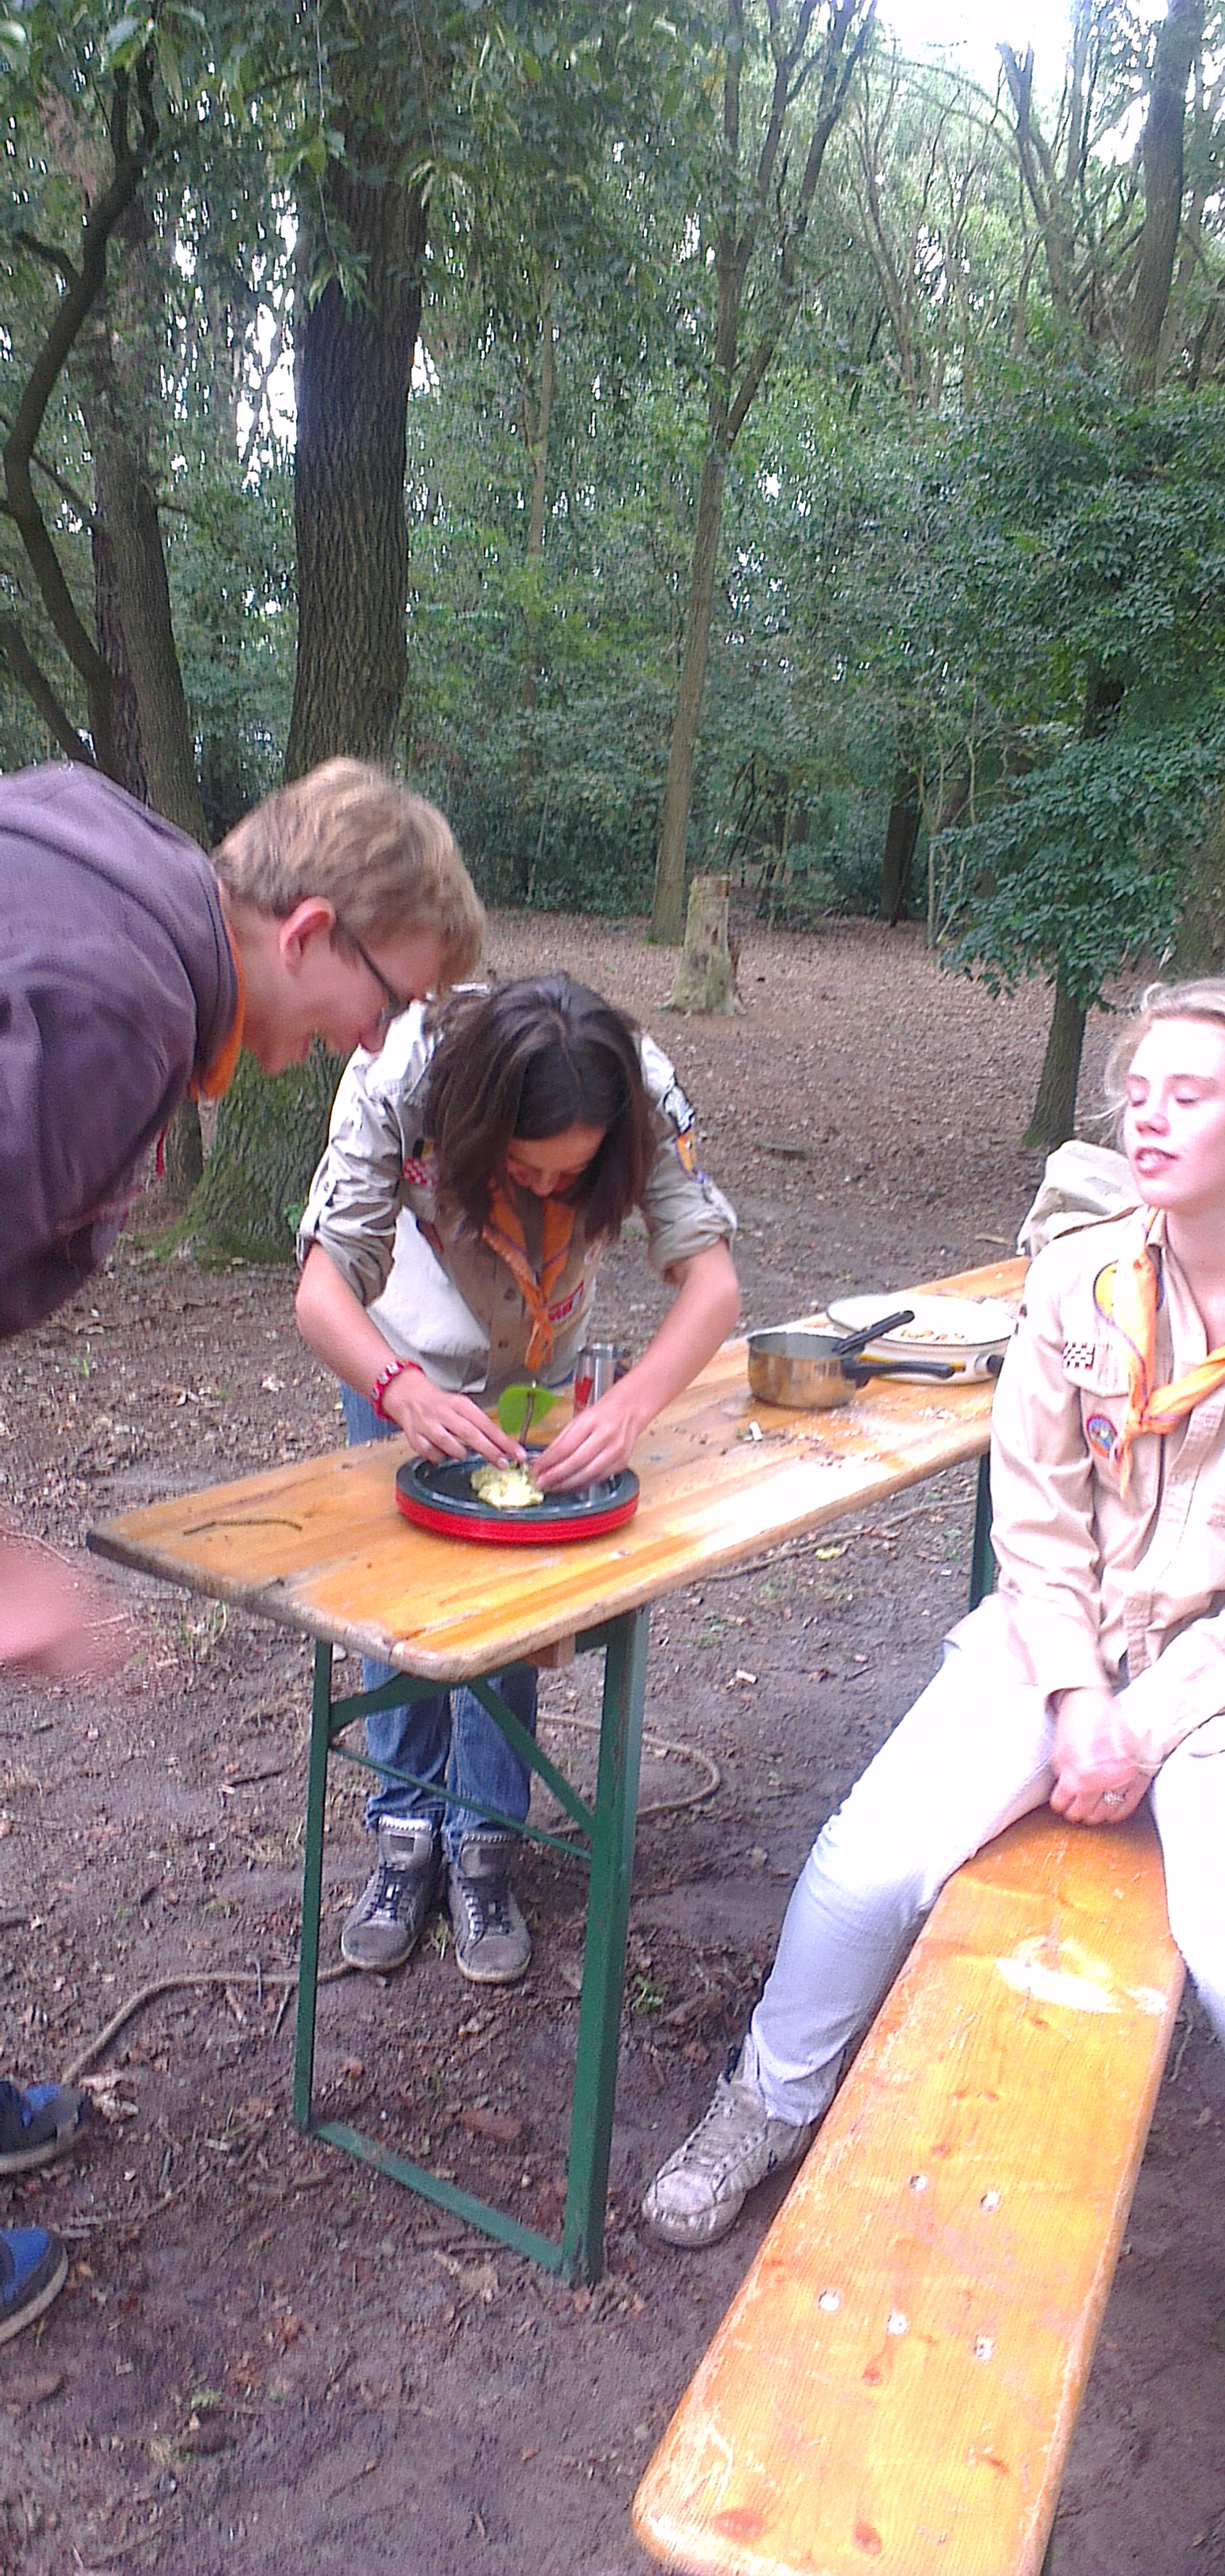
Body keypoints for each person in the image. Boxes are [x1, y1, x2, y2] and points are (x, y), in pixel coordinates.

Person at [643, 978, 1225, 2493]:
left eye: (1189, 1091)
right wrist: (1077, 1697)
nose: (1146, 1112)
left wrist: (1150, 1716)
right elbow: (1040, 1519)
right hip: (1055, 1646)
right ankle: (767, 2100)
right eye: (1138, 1087)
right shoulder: (1075, 1278)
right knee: (867, 1859)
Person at [0, 754, 484, 2346]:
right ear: (311, 931)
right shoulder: (121, 1001)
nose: (368, 1046)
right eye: (380, 1006)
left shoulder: (118, 873)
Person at [294, 971, 739, 1985]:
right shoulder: (398, 1075)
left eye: (570, 1175)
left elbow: (712, 1285)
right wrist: (399, 1388)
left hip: (539, 1364)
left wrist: (628, 1406)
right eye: (525, 1168)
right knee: (402, 1607)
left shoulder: (637, 1090)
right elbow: (321, 1292)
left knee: (512, 1603)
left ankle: (485, 1846)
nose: (547, 1190)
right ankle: (404, 1834)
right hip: (402, 1357)